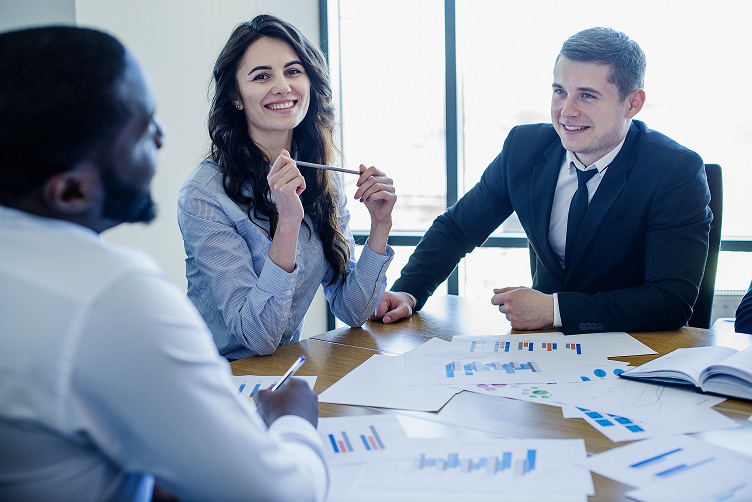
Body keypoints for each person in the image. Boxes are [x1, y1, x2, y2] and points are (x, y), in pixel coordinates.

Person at [0, 26, 327, 501]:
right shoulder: (113, 295)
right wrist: (295, 419)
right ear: (72, 191)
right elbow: (281, 495)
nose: (161, 136)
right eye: (141, 128)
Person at [374, 27, 712, 335]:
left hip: (638, 352)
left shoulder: (674, 170)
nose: (567, 111)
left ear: (632, 103)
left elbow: (670, 300)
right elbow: (457, 229)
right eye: (560, 91)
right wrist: (409, 291)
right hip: (543, 351)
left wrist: (554, 309)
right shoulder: (524, 148)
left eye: (587, 95)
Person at [178, 14, 396, 360]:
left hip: (281, 373)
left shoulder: (322, 177)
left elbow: (353, 310)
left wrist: (380, 226)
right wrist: (288, 223)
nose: (282, 86)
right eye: (262, 76)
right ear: (235, 97)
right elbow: (258, 338)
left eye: (293, 71)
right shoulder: (203, 195)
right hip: (217, 376)